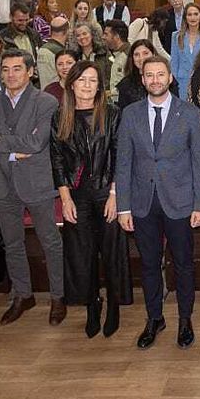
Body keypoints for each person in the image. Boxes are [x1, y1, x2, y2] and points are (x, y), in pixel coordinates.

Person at [116, 56, 200, 349]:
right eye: (149, 75)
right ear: (142, 79)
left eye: (160, 74)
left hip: (180, 201)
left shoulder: (189, 112)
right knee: (148, 264)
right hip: (143, 203)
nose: (155, 80)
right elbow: (124, 162)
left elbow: (199, 161)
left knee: (183, 264)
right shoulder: (130, 114)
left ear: (170, 78)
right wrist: (123, 206)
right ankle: (154, 318)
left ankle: (185, 319)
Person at [0, 49, 68, 326]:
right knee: (13, 243)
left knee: (50, 242)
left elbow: (37, 143)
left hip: (37, 182)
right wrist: (12, 154)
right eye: (5, 69)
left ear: (30, 72)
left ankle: (58, 297)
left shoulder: (46, 102)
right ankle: (23, 295)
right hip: (2, 183)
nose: (11, 74)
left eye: (17, 69)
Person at [52, 60, 126, 339]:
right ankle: (93, 304)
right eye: (81, 80)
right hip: (76, 195)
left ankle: (114, 306)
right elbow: (57, 160)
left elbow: (119, 155)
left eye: (92, 80)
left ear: (100, 86)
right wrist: (65, 199)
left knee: (111, 252)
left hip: (107, 192)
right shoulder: (60, 116)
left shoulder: (112, 113)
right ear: (71, 84)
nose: (86, 85)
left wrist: (115, 195)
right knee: (82, 254)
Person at [169, 2, 200, 99]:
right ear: (185, 18)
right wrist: (174, 85)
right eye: (189, 15)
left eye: (195, 14)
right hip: (182, 83)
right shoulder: (176, 36)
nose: (192, 17)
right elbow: (174, 63)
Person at [116, 39, 155, 111]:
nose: (141, 58)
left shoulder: (165, 78)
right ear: (132, 58)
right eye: (137, 55)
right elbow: (123, 113)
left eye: (145, 53)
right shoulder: (125, 85)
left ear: (153, 54)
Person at [36, 16, 70, 88]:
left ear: (50, 30)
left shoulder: (41, 49)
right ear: (66, 31)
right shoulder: (61, 53)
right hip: (58, 91)